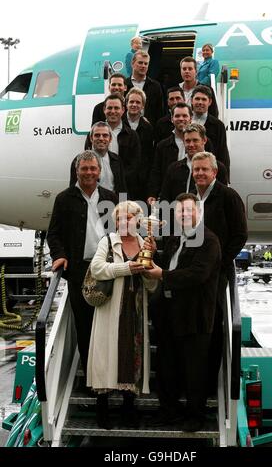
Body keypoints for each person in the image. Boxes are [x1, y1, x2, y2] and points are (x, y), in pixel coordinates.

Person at [144, 193, 221, 431]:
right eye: (180, 211)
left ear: (199, 212)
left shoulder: (209, 240)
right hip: (169, 313)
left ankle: (195, 416)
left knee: (194, 369)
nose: (184, 214)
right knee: (168, 366)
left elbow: (197, 274)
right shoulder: (176, 238)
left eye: (188, 210)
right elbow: (170, 265)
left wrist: (163, 276)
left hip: (194, 315)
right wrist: (156, 253)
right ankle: (168, 412)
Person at [47, 151, 118, 380]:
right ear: (76, 171)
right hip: (79, 273)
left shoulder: (111, 198)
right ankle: (91, 380)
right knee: (85, 328)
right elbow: (54, 234)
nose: (88, 172)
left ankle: (111, 377)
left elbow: (120, 232)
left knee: (109, 328)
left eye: (92, 169)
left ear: (99, 172)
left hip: (108, 271)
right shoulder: (64, 198)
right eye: (84, 168)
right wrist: (59, 254)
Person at [87, 201, 157, 429]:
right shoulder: (108, 241)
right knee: (106, 356)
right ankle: (102, 407)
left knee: (132, 353)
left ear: (137, 220)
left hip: (135, 309)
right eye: (119, 218)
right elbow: (97, 269)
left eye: (128, 218)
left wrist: (148, 267)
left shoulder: (144, 243)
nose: (123, 222)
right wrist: (126, 268)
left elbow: (151, 285)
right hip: (110, 309)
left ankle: (129, 407)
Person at [192, 152, 248, 393]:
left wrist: (221, 262)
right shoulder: (192, 199)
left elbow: (240, 234)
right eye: (197, 170)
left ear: (215, 172)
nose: (200, 174)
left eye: (205, 169)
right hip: (193, 272)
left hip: (215, 276)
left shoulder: (227, 196)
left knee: (213, 329)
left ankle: (209, 384)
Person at [160, 123, 227, 203]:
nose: (191, 145)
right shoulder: (173, 168)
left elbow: (223, 199)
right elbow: (165, 200)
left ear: (204, 140)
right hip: (177, 214)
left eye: (195, 140)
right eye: (187, 141)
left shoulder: (218, 168)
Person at [147, 102, 192, 204]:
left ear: (191, 118)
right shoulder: (162, 145)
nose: (181, 118)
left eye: (185, 115)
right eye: (177, 116)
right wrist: (152, 193)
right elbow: (156, 171)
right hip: (170, 196)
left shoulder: (202, 143)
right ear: (172, 119)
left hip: (193, 195)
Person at [70, 121, 127, 196]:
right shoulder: (79, 160)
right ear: (91, 138)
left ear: (110, 139)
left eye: (105, 135)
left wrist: (124, 207)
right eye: (97, 135)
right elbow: (73, 190)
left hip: (112, 204)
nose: (101, 138)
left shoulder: (117, 160)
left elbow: (122, 189)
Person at [191, 85, 230, 178]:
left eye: (204, 99)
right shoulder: (185, 122)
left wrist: (225, 178)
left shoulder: (218, 126)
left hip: (208, 175)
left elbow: (222, 153)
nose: (200, 102)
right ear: (192, 100)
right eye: (197, 99)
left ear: (210, 102)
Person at [124, 87, 154, 200]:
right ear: (126, 104)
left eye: (138, 102)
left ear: (143, 106)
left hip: (141, 181)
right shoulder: (119, 124)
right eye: (131, 101)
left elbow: (148, 155)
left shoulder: (147, 127)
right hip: (123, 179)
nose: (134, 105)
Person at [125, 50, 164, 126]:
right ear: (132, 64)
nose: (143, 66)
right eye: (140, 63)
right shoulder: (124, 85)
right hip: (127, 131)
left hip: (149, 132)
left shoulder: (155, 86)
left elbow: (160, 112)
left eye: (146, 64)